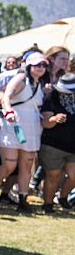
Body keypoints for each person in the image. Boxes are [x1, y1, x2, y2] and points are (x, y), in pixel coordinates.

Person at [0, 50, 49, 210]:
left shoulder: (40, 84)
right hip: (12, 125)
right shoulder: (21, 79)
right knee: (9, 164)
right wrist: (8, 111)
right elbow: (6, 96)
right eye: (37, 65)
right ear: (29, 66)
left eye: (43, 65)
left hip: (31, 127)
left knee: (27, 165)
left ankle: (23, 198)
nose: (41, 68)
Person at [39, 73, 75, 210]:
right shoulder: (51, 98)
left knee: (73, 175)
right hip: (53, 144)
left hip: (72, 145)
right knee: (54, 175)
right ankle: (48, 204)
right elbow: (45, 122)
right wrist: (54, 119)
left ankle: (63, 197)